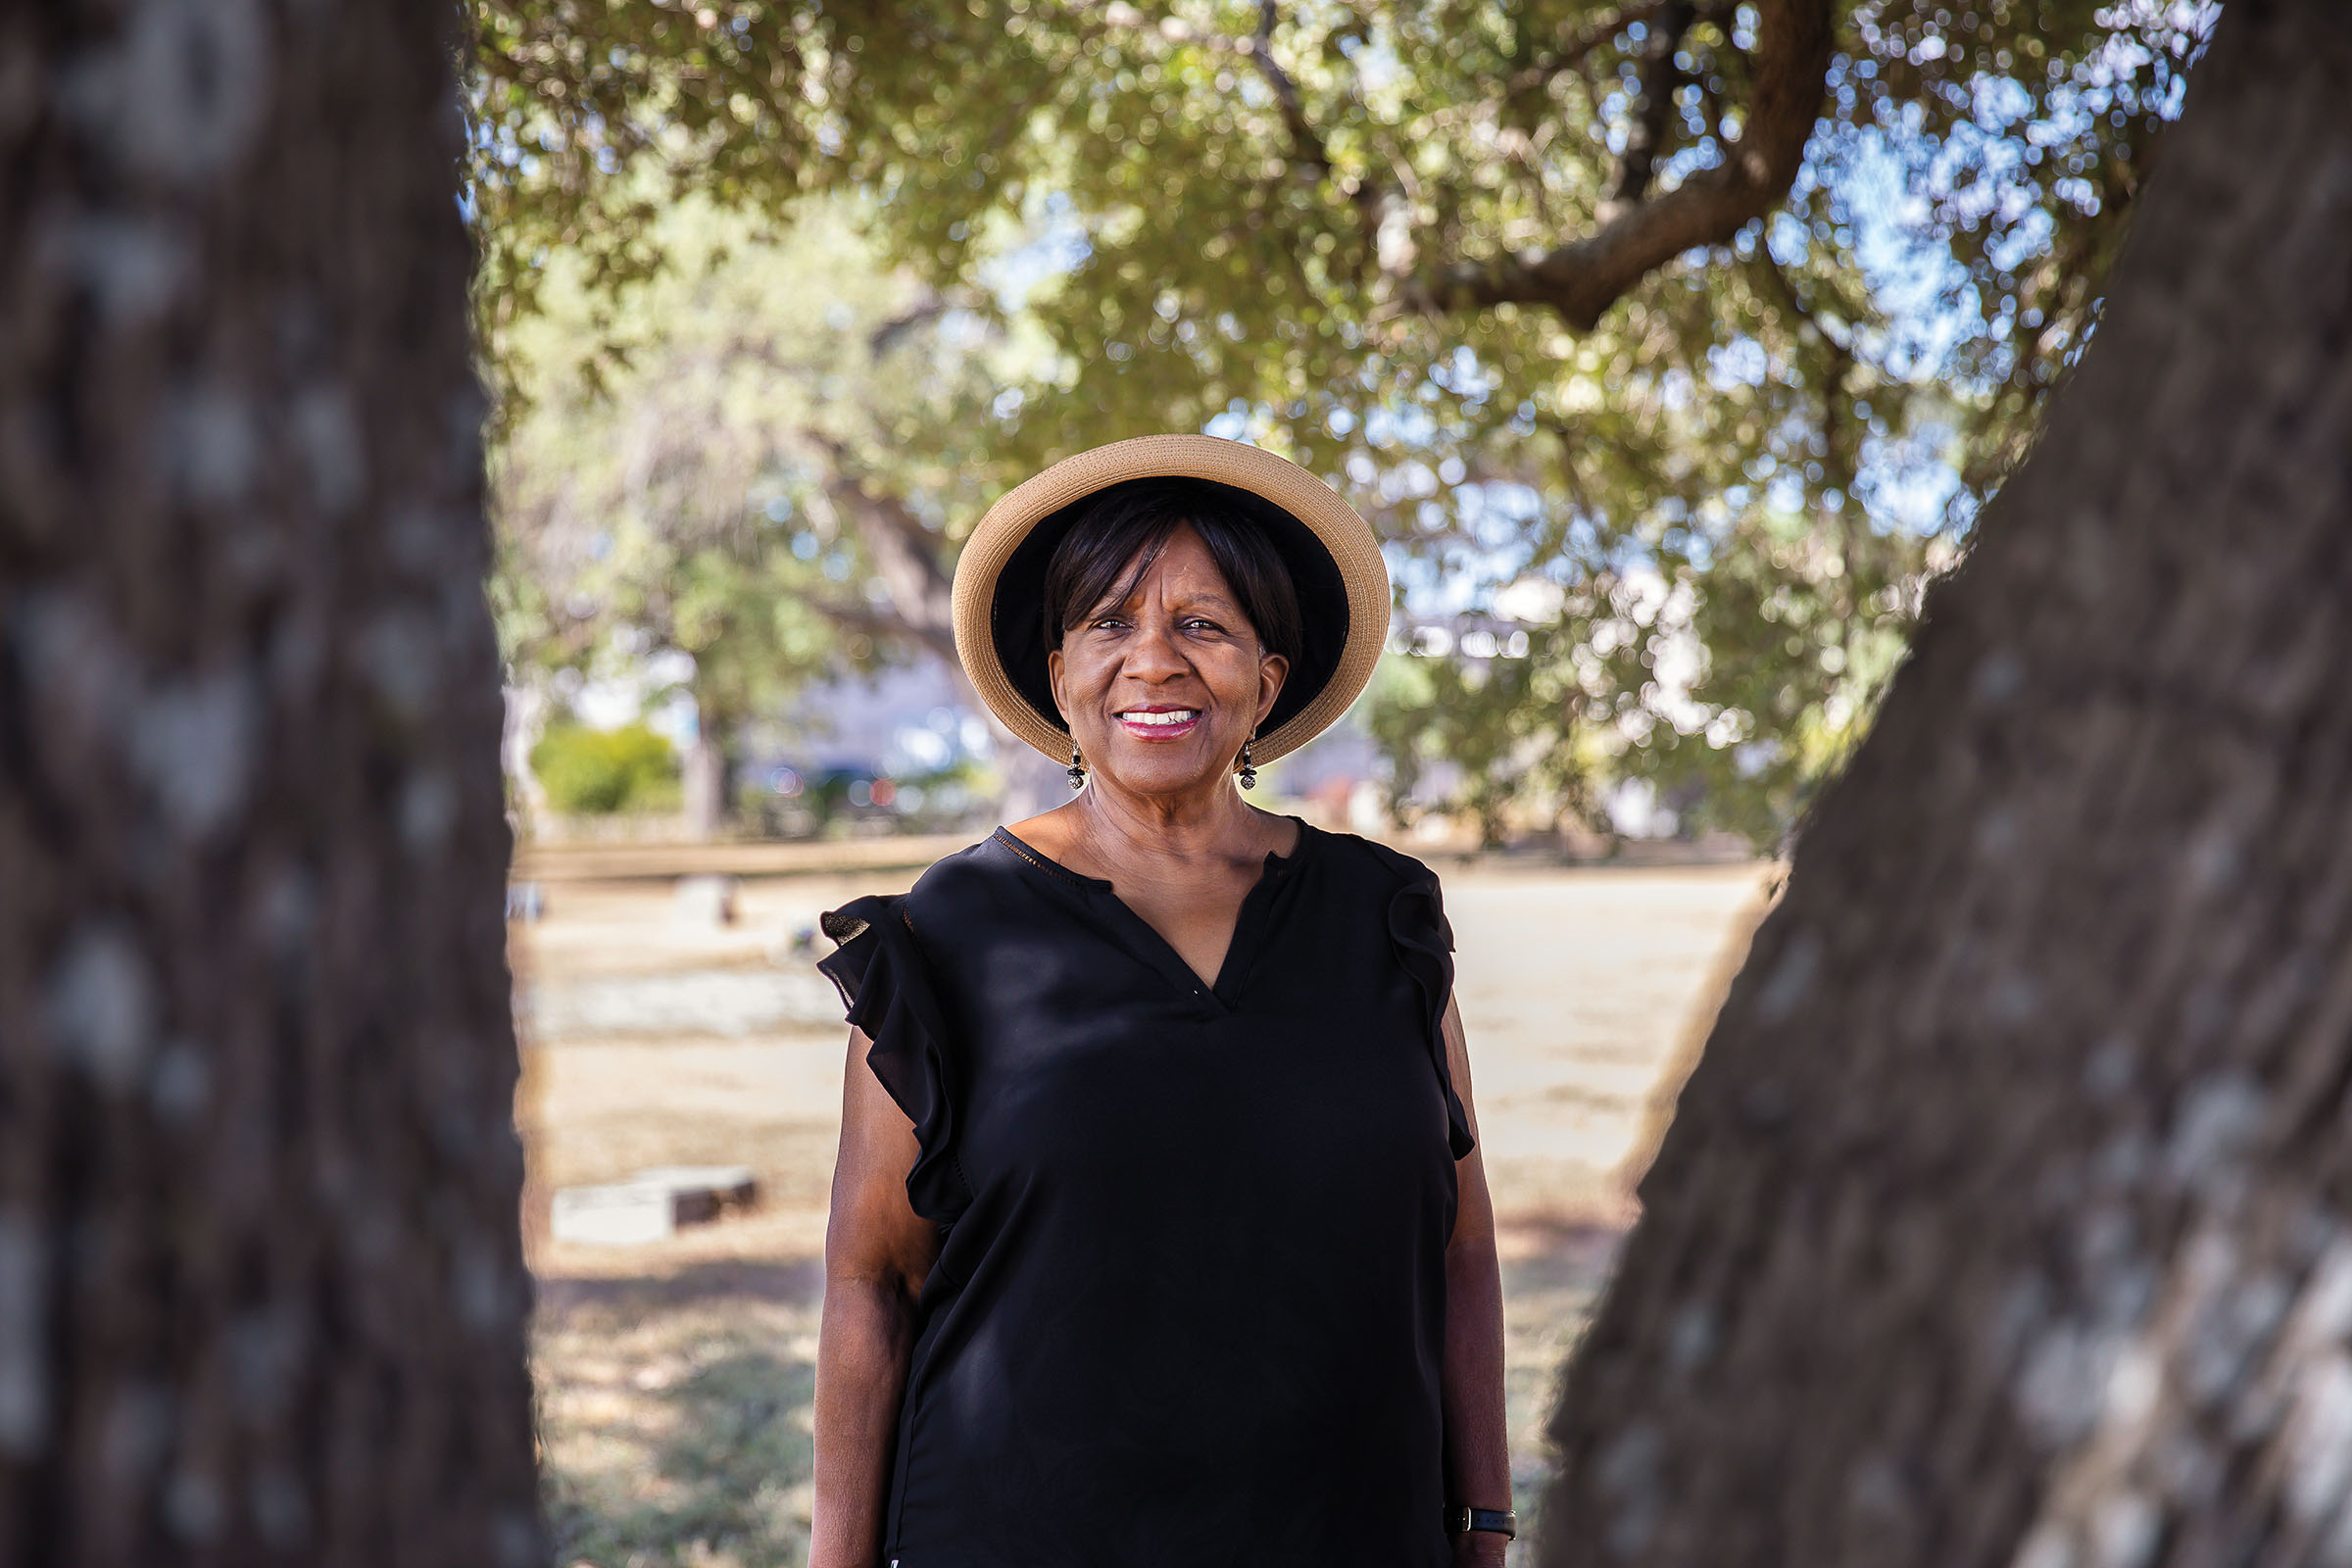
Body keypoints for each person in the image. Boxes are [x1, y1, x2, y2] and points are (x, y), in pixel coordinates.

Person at [809, 435, 1512, 1568]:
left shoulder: (1384, 922)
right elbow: (871, 1280)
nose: (1154, 661)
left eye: (1203, 624)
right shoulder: (945, 935)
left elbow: (1460, 1247)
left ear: (1267, 682)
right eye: (1109, 623)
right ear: (1057, 675)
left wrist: (1482, 1524)